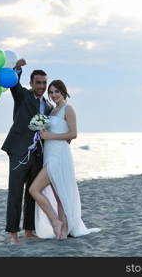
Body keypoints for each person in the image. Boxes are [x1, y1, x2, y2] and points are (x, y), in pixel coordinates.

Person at [29, 80, 100, 240]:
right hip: (49, 154)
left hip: (59, 156)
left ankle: (56, 222)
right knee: (59, 196)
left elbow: (73, 134)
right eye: (51, 92)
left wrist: (49, 136)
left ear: (63, 92)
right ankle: (61, 230)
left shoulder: (68, 109)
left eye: (57, 92)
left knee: (34, 190)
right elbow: (54, 132)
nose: (54, 95)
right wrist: (42, 131)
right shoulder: (53, 111)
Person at [1, 59, 53, 244]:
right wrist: (17, 70)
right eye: (38, 82)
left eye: (44, 83)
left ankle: (29, 230)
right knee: (15, 192)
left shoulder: (49, 106)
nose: (41, 86)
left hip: (37, 155)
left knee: (32, 192)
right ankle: (13, 233)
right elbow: (14, 85)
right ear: (31, 83)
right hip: (18, 151)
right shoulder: (22, 95)